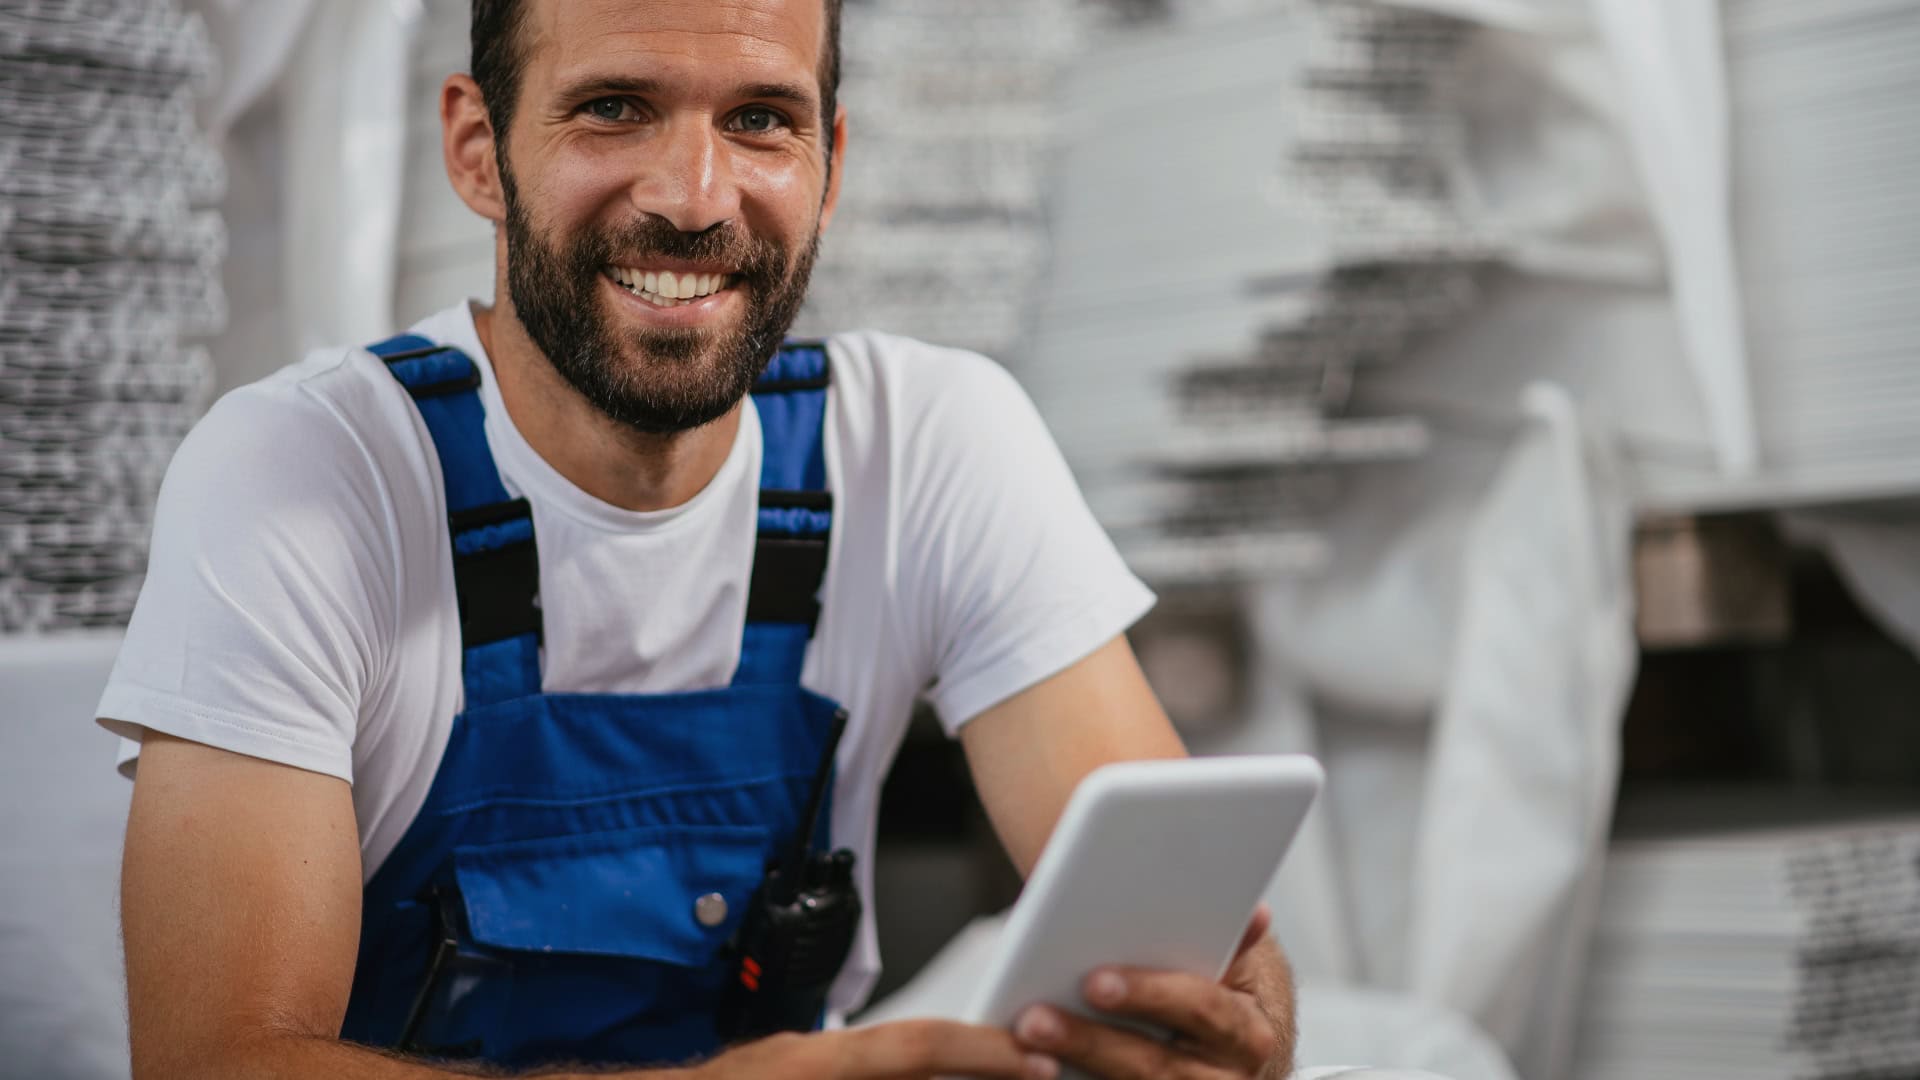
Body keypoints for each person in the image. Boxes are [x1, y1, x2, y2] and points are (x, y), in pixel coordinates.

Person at [102, 1, 1298, 1077]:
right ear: (477, 148)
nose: (693, 195)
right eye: (614, 110)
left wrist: (1217, 1012)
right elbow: (214, 1062)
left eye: (762, 119)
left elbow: (1182, 908)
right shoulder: (310, 474)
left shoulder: (926, 443)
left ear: (831, 166)